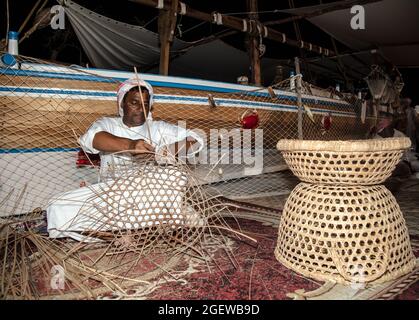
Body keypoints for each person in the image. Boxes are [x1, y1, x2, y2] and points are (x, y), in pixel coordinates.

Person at [46, 78, 204, 241]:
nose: (141, 109)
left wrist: (164, 151)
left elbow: (196, 140)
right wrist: (130, 145)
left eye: (145, 103)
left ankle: (129, 232)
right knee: (57, 206)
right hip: (112, 197)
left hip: (149, 196)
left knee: (174, 176)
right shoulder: (108, 124)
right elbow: (91, 139)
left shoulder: (158, 128)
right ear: (122, 104)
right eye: (134, 102)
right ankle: (135, 232)